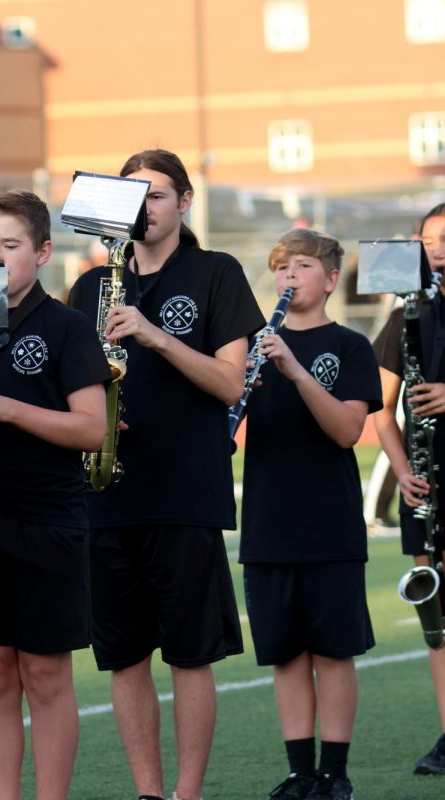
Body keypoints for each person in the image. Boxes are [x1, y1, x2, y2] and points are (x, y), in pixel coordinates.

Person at [66, 149, 264, 800]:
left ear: (184, 203)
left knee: (188, 655)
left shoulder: (217, 273)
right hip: (107, 492)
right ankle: (148, 793)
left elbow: (230, 381)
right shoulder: (92, 285)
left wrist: (153, 336)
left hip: (185, 491)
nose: (144, 209)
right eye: (132, 197)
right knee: (123, 657)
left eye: (156, 196)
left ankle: (187, 794)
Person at [0, 190, 109, 800]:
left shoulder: (65, 327)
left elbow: (91, 428)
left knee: (44, 673)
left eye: (10, 245)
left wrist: (4, 409)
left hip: (46, 517)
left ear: (41, 252)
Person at [240, 229, 381, 800]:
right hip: (269, 522)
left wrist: (295, 370)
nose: (288, 276)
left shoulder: (350, 346)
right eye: (280, 267)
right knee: (285, 653)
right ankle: (300, 771)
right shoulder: (252, 345)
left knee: (333, 651)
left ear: (327, 278)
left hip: (329, 522)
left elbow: (347, 431)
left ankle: (335, 772)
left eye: (301, 266)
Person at [372, 202, 445, 776]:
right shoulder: (407, 313)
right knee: (438, 621)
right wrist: (401, 471)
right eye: (428, 238)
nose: (436, 248)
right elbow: (381, 407)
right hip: (426, 484)